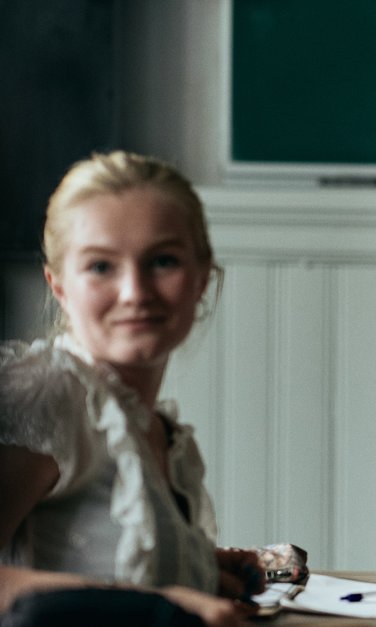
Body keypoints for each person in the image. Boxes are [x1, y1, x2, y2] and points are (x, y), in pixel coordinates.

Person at [0, 151, 263, 626]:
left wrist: (198, 569)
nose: (135, 292)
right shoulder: (45, 393)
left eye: (162, 261)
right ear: (59, 285)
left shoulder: (162, 433)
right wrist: (160, 607)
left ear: (202, 276)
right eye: (101, 267)